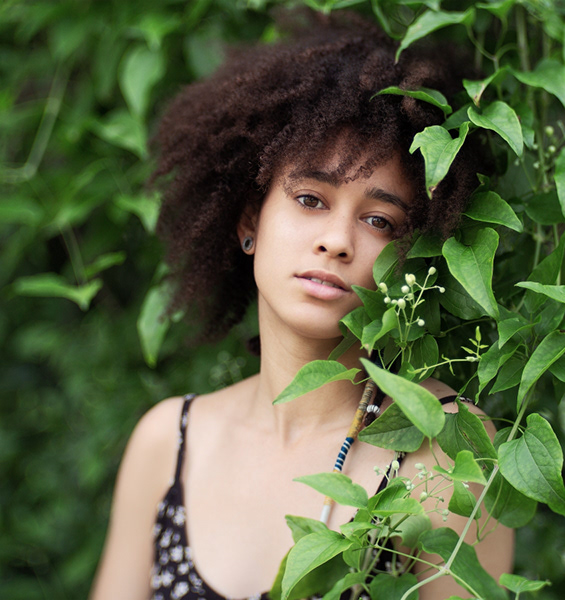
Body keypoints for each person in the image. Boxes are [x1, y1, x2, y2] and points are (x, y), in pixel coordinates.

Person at [89, 10, 512, 600]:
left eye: (378, 220)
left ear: (410, 253)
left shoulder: (443, 450)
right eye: (311, 199)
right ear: (248, 223)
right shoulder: (169, 442)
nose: (337, 240)